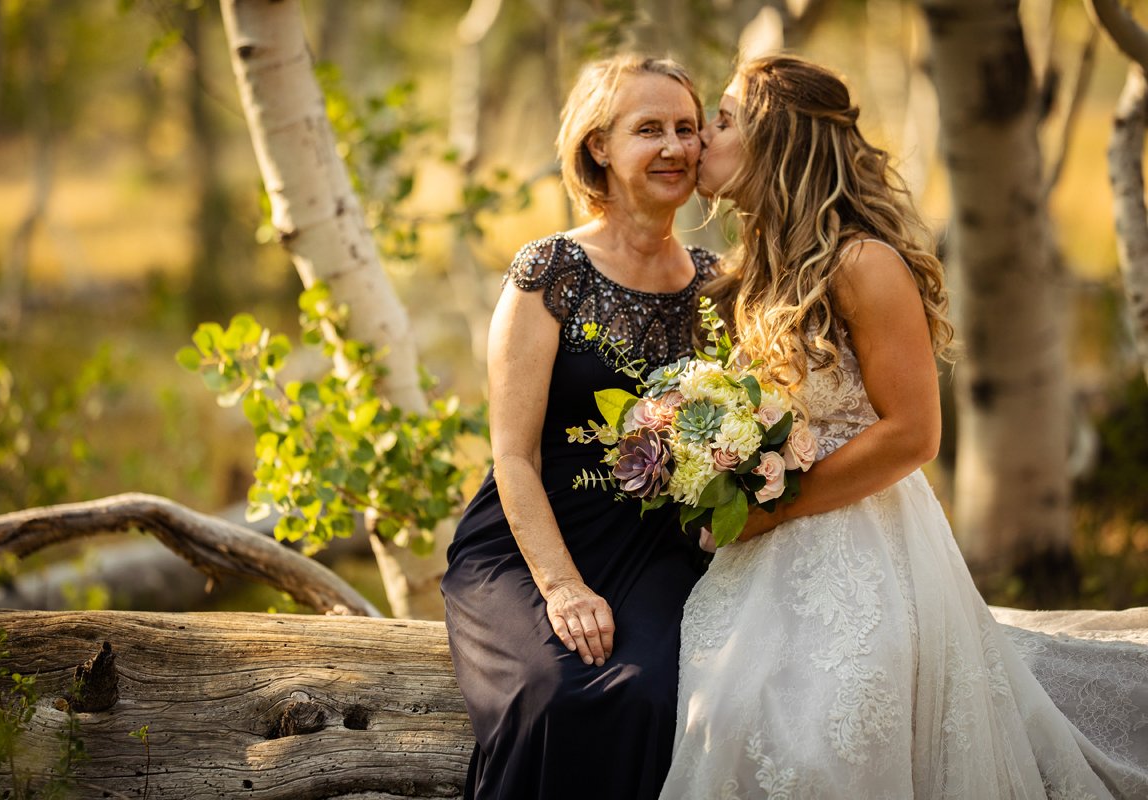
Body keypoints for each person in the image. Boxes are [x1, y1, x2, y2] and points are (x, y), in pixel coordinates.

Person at [659, 55, 1148, 799]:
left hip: (865, 542)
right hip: (763, 547)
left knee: (829, 732)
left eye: (723, 121)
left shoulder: (863, 264)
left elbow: (915, 434)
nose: (701, 139)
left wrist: (772, 509)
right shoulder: (751, 269)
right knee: (723, 710)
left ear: (775, 140)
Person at [440, 54, 719, 799]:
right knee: (549, 691)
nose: (675, 148)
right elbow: (513, 456)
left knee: (654, 696)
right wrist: (562, 588)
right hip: (529, 537)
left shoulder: (721, 283)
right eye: (649, 129)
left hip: (657, 547)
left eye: (688, 129)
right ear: (599, 145)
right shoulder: (551, 271)